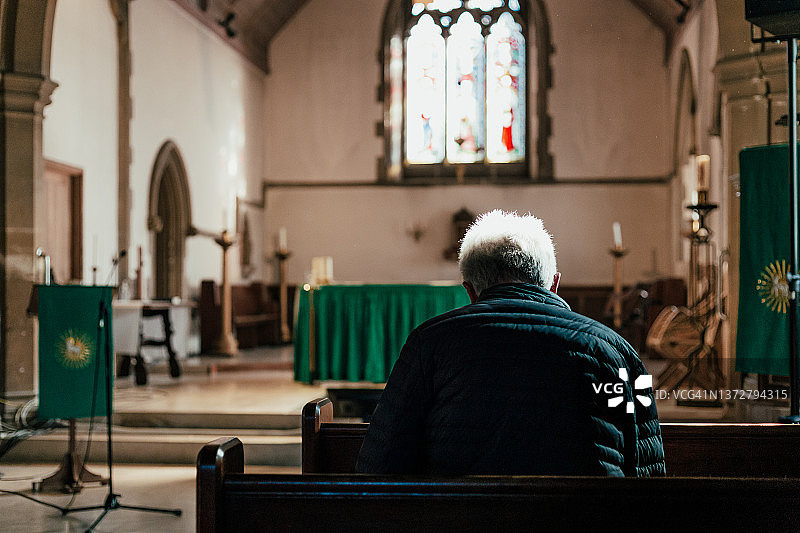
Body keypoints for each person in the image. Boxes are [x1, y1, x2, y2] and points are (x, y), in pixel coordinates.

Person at [356, 210, 664, 477]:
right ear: (555, 284)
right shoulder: (617, 351)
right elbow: (647, 470)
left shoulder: (428, 344)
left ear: (470, 291)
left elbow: (379, 463)